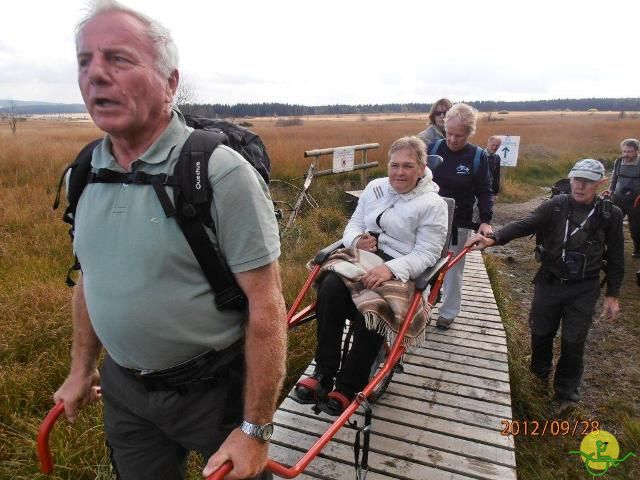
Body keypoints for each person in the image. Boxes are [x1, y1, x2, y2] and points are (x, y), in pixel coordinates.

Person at [53, 2, 287, 479]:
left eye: (118, 58)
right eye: (84, 61)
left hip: (214, 391)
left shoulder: (220, 173)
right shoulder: (86, 172)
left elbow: (266, 305)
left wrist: (255, 429)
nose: (95, 75)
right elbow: (91, 281)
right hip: (125, 393)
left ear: (170, 83)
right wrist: (82, 369)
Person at [294, 136, 448, 414]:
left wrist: (390, 268)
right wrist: (356, 241)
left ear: (422, 167)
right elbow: (353, 224)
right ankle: (323, 373)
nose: (399, 172)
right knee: (330, 286)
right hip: (363, 256)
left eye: (408, 166)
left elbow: (427, 254)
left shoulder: (432, 204)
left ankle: (347, 385)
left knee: (374, 308)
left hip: (402, 268)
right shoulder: (375, 187)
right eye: (394, 165)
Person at [466, 159, 624, 409]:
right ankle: (537, 379)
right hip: (549, 281)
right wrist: (494, 239)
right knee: (541, 333)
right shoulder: (557, 205)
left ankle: (565, 395)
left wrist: (612, 294)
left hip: (585, 287)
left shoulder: (610, 215)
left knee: (574, 340)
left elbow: (616, 256)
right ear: (570, 178)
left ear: (600, 183)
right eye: (577, 179)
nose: (580, 186)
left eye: (588, 181)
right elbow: (526, 223)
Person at [428, 103, 493, 329]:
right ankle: (422, 308)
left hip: (460, 222)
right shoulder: (433, 148)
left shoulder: (477, 157)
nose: (453, 140)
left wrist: (485, 220)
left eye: (459, 135)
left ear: (469, 133)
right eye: (449, 133)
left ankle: (447, 313)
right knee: (425, 265)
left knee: (453, 270)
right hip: (429, 221)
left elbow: (485, 190)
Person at [608, 138, 640, 257]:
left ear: (636, 151)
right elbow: (614, 177)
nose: (626, 154)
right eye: (624, 151)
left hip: (636, 200)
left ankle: (638, 249)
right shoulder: (618, 161)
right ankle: (613, 249)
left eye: (630, 151)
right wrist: (611, 190)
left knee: (636, 226)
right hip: (618, 197)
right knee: (613, 224)